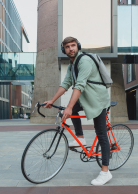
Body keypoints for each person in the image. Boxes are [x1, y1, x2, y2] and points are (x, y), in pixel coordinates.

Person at [43, 36, 112, 185]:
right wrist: (52, 100)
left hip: (98, 99)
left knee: (101, 133)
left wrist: (69, 107)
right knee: (71, 108)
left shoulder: (85, 61)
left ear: (78, 46)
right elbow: (67, 83)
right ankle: (80, 137)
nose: (71, 49)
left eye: (73, 45)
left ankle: (105, 172)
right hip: (86, 98)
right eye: (67, 47)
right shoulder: (71, 64)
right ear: (64, 50)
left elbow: (79, 85)